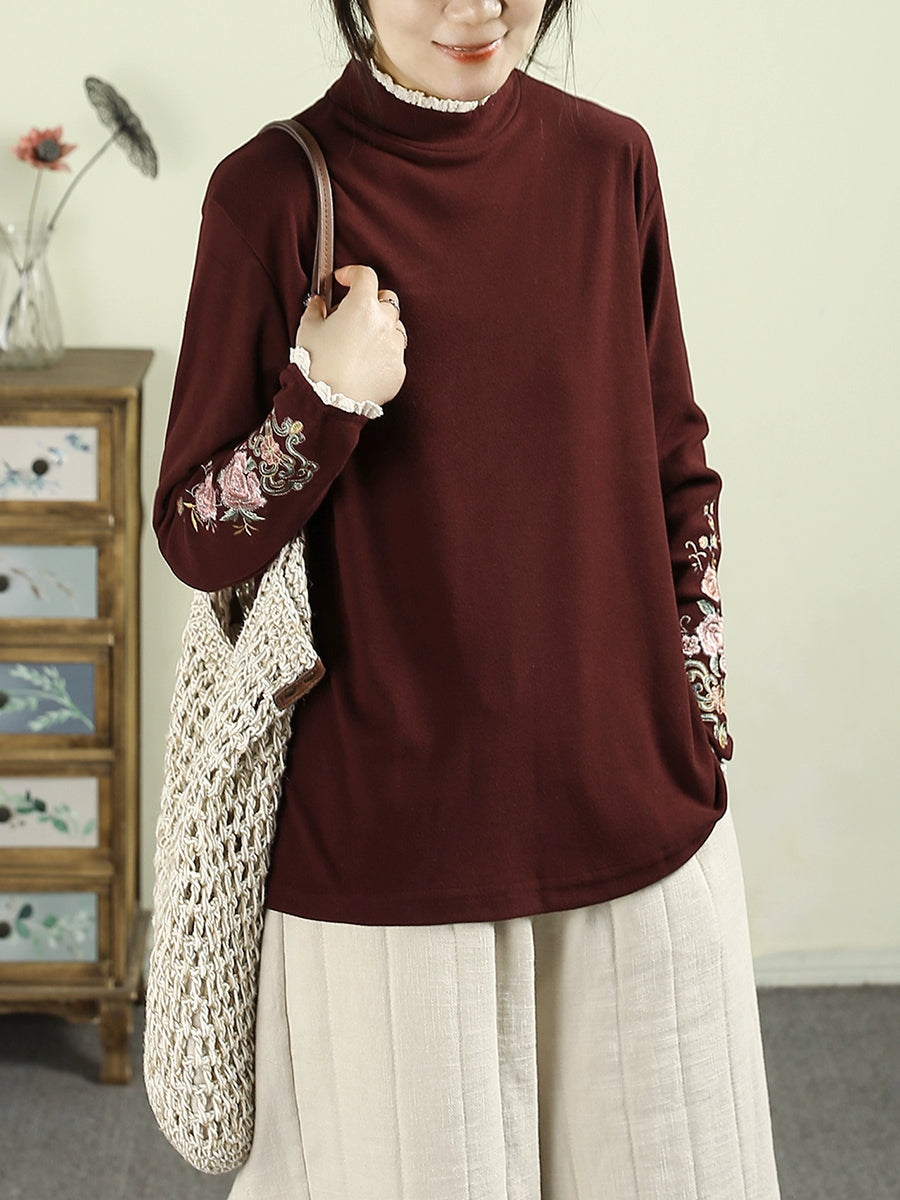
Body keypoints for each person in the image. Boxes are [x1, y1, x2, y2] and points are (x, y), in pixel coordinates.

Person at [153, 1, 782, 1196]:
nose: (477, 7)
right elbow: (196, 536)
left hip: (633, 814)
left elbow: (677, 472)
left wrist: (696, 714)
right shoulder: (270, 196)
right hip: (390, 854)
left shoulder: (611, 162)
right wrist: (322, 404)